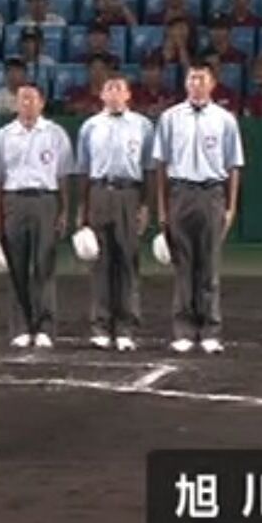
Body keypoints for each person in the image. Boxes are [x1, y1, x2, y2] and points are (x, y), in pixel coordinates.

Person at [151, 64, 245, 354]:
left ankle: (210, 330)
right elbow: (161, 165)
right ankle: (183, 329)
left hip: (211, 192)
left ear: (212, 83)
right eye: (191, 78)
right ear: (185, 83)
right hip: (181, 192)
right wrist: (162, 209)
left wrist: (231, 207)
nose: (196, 83)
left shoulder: (225, 120)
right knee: (183, 264)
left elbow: (233, 166)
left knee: (209, 265)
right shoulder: (170, 118)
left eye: (201, 78)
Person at [0, 81, 73, 351]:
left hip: (45, 199)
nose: (26, 103)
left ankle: (45, 326)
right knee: (17, 266)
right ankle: (21, 327)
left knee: (44, 265)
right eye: (22, 98)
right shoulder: (4, 135)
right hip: (14, 200)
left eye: (31, 98)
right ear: (16, 103)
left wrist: (64, 210)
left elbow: (63, 176)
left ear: (41, 103)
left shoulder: (55, 134)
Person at [75, 73, 153, 352]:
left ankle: (125, 328)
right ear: (102, 95)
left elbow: (149, 168)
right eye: (109, 88)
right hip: (100, 191)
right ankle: (101, 325)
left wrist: (145, 205)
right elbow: (84, 170)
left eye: (120, 88)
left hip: (129, 192)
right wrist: (83, 208)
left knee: (128, 261)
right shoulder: (90, 127)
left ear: (128, 95)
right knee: (101, 261)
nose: (115, 93)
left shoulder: (143, 126)